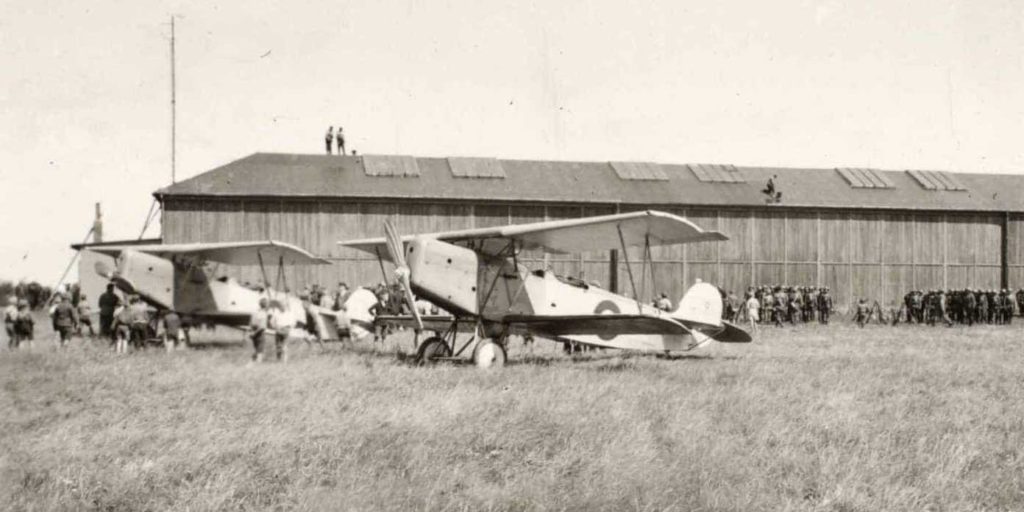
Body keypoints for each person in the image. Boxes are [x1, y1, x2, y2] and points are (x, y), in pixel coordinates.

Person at [249, 298, 271, 363]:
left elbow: (251, 323)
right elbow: (262, 327)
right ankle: (255, 364)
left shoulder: (255, 312)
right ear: (266, 305)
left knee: (256, 349)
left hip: (253, 331)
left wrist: (251, 332)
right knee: (260, 351)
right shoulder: (263, 314)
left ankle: (252, 363)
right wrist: (255, 333)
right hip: (260, 333)